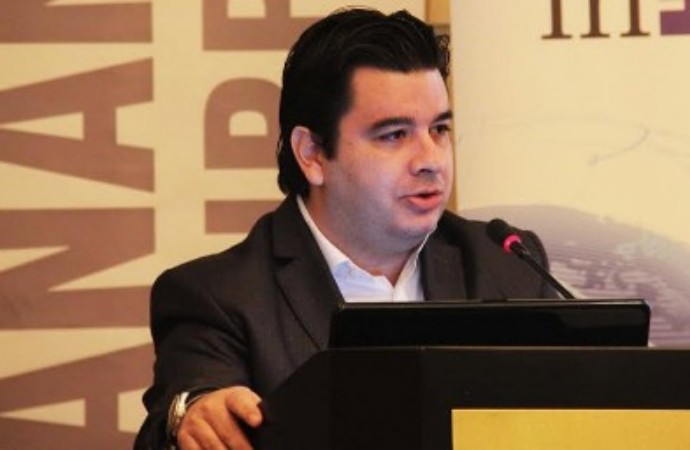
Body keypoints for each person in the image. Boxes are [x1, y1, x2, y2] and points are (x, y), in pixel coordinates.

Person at [134, 7, 557, 450]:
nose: (430, 159)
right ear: (312, 153)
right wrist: (191, 415)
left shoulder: (508, 265)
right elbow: (184, 409)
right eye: (394, 135)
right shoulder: (219, 297)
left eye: (439, 129)